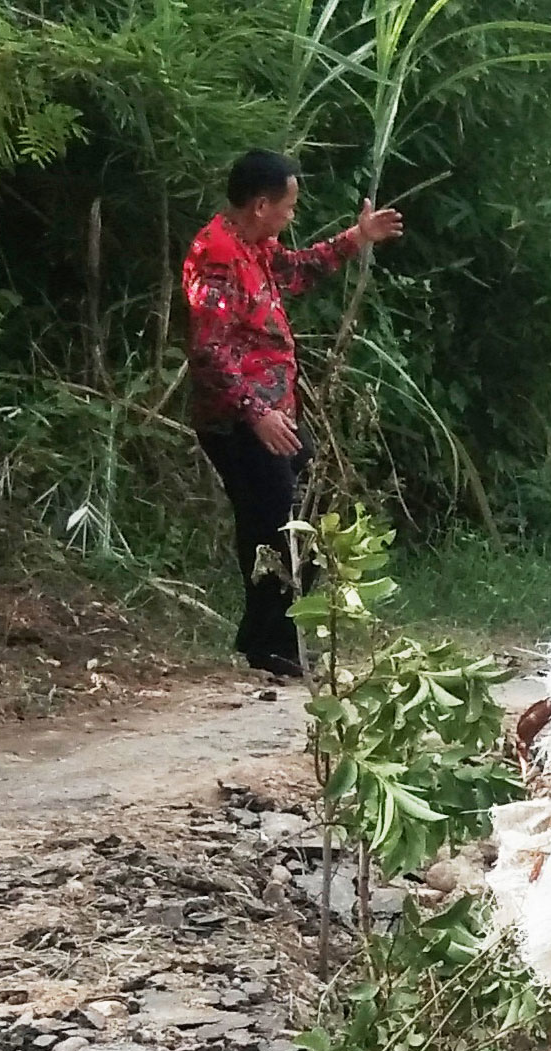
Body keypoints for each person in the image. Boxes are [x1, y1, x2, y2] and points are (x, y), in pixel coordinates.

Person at [181, 148, 401, 680]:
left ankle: (266, 638)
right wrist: (255, 413)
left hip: (272, 412)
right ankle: (273, 647)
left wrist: (358, 237)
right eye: (288, 206)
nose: (291, 216)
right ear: (261, 204)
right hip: (240, 417)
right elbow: (209, 348)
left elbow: (297, 271)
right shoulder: (215, 253)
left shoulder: (255, 246)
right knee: (276, 522)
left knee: (295, 509)